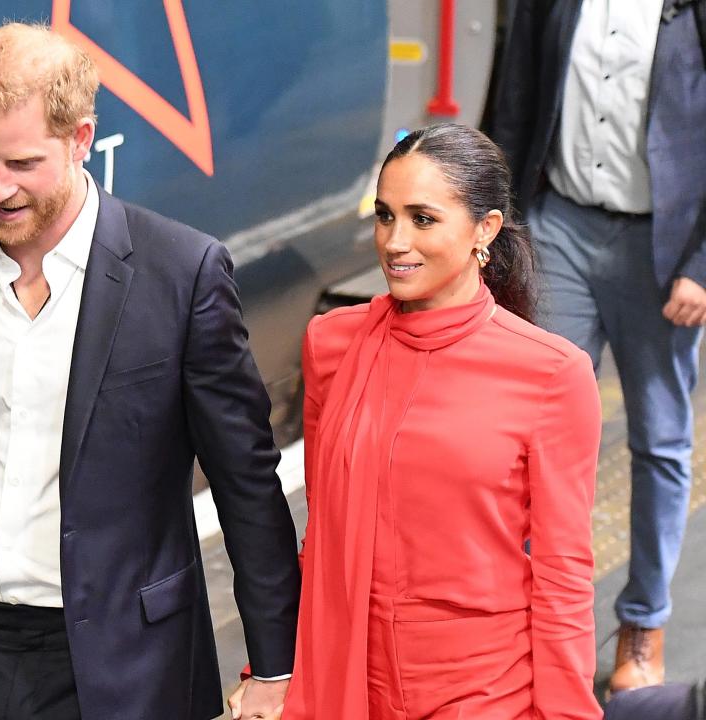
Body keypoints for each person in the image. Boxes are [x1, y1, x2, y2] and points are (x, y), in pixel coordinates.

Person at [0, 22, 300, 720]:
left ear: (81, 140)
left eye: (22, 164)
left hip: (118, 663)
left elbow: (246, 484)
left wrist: (275, 668)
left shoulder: (181, 273)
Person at [272, 124, 602, 719]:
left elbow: (562, 577)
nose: (395, 242)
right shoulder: (332, 345)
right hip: (348, 679)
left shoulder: (552, 374)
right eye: (384, 215)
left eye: (423, 219)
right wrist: (271, 668)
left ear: (486, 230)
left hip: (483, 690)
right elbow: (321, 531)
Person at [489, 0, 706, 692]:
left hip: (661, 250)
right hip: (560, 231)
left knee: (660, 440)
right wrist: (499, 235)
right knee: (534, 439)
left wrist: (703, 267)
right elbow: (513, 104)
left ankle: (643, 622)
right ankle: (536, 620)